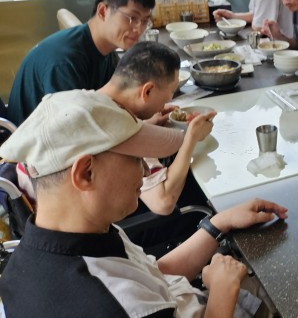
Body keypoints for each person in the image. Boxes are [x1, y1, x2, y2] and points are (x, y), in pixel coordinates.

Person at [0, 89, 289, 317]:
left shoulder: (82, 232)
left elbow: (155, 275)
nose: (144, 170)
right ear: (86, 173)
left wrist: (218, 223)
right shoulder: (111, 305)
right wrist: (223, 289)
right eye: (135, 159)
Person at [13, 42, 214, 219]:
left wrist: (147, 125)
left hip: (38, 210)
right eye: (169, 95)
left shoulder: (81, 101)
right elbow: (163, 203)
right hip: (88, 227)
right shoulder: (114, 130)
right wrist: (191, 138)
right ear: (147, 91)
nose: (167, 103)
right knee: (198, 198)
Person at [7, 0, 156, 125]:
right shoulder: (64, 62)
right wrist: (142, 127)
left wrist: (144, 121)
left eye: (145, 21)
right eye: (132, 18)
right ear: (103, 11)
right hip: (35, 137)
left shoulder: (106, 49)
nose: (139, 29)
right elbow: (71, 129)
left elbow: (115, 103)